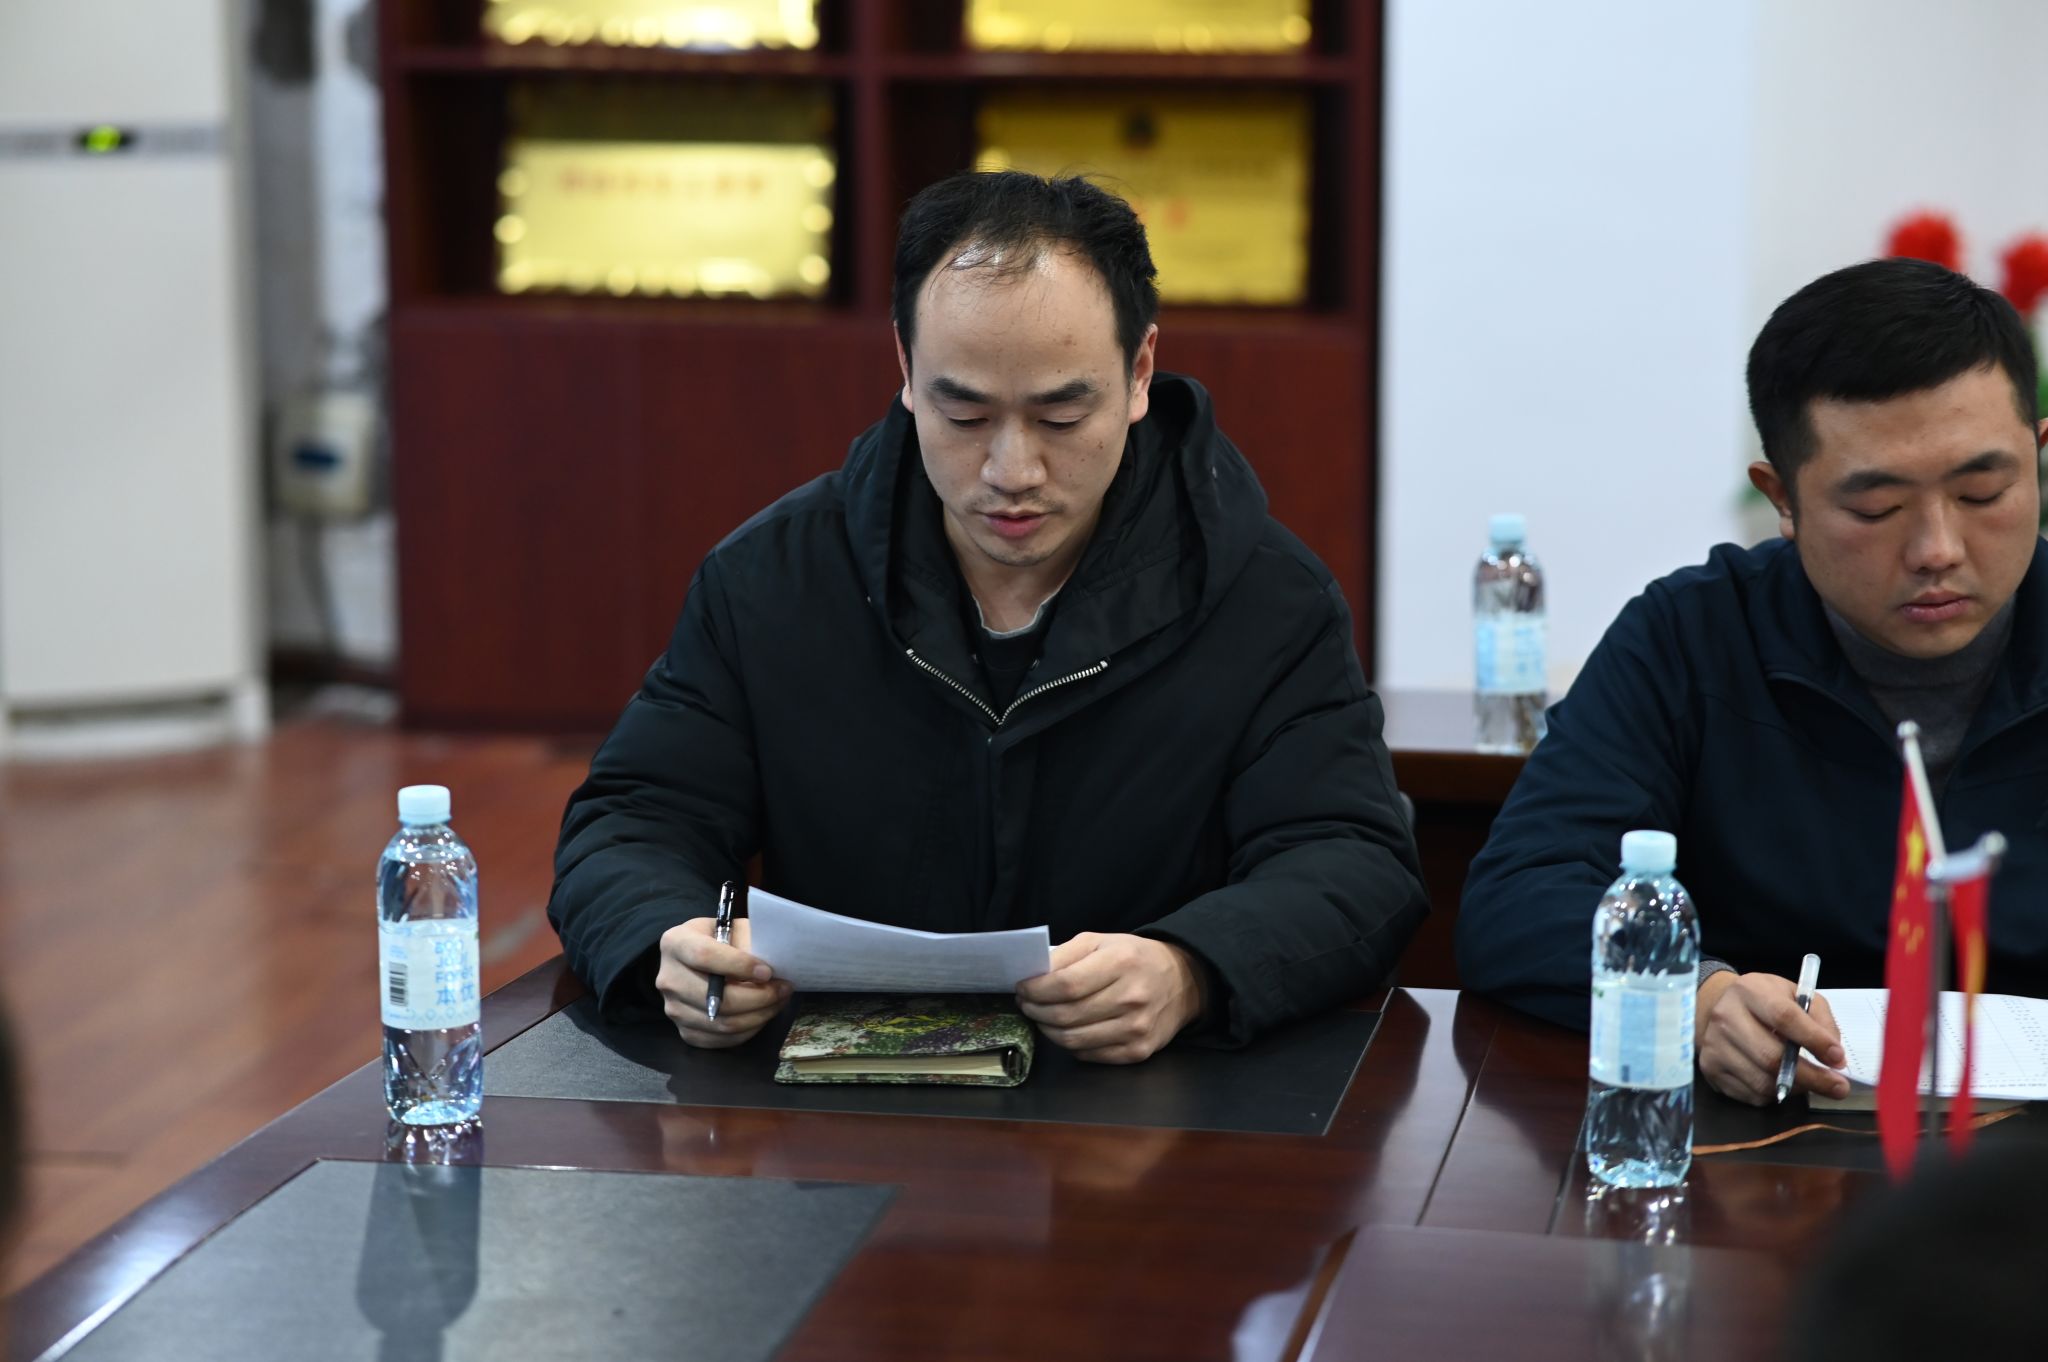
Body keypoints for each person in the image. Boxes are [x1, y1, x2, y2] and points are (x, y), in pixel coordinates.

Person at [548, 170, 1427, 1062]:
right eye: (964, 413)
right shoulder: (771, 582)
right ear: (905, 369)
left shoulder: (1266, 599)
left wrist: (1192, 969)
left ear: (1139, 373)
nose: (1012, 471)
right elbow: (635, 821)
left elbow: (1353, 858)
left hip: (1147, 1106)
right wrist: (674, 940)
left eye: (1062, 415)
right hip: (830, 1105)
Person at [1458, 257, 2048, 1104]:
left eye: (1983, 492)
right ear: (1783, 499)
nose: (1937, 550)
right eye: (1876, 509)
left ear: (2038, 458)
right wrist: (1700, 1000)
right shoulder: (1694, 636)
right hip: (1767, 1130)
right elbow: (1518, 895)